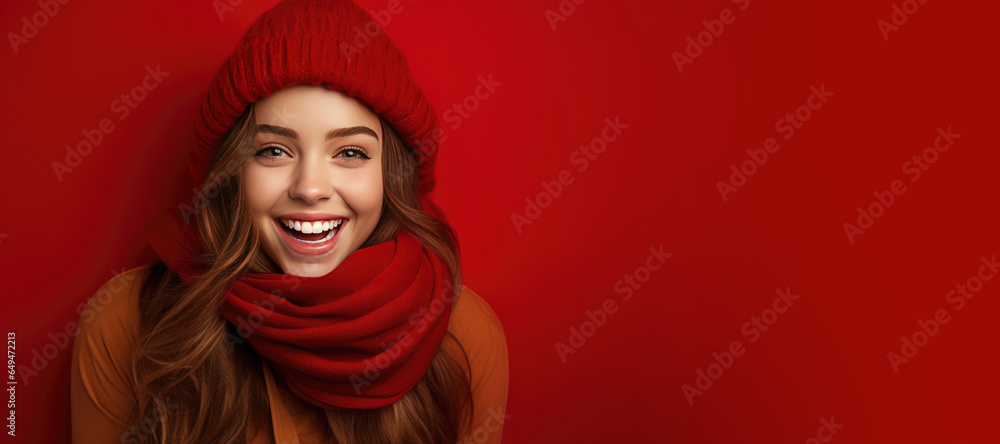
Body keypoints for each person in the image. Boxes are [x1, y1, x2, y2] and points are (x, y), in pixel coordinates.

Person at [69, 1, 509, 442]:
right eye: (274, 151)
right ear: (232, 172)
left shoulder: (464, 337)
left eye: (350, 152)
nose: (311, 188)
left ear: (390, 175)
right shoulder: (128, 325)